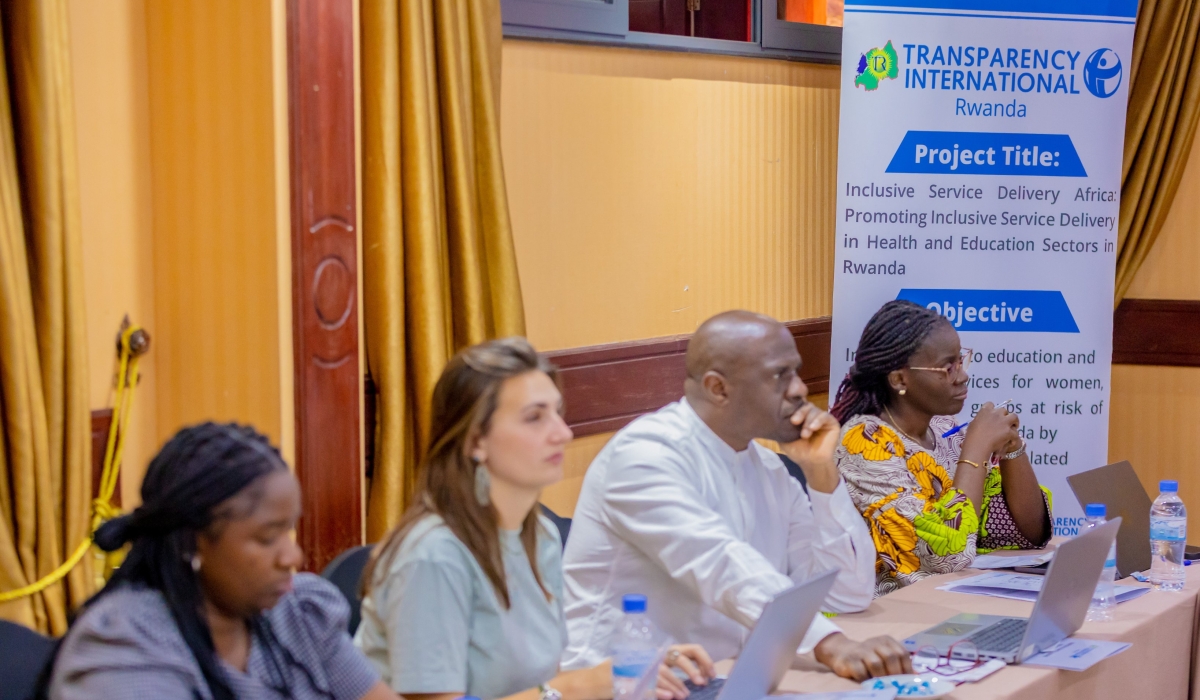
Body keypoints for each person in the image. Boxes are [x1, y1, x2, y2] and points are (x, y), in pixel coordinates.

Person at [562, 311, 912, 682]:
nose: (798, 389)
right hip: (627, 686)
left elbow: (847, 594)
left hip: (723, 680)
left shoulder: (766, 467)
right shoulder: (645, 456)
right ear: (718, 388)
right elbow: (720, 563)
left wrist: (820, 471)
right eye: (780, 375)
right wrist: (832, 645)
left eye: (796, 371)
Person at [355, 337, 712, 700]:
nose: (563, 433)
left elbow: (538, 683)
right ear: (475, 441)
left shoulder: (540, 535)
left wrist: (638, 667)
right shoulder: (433, 556)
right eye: (534, 417)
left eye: (557, 412)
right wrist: (574, 688)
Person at [49, 423, 395, 700]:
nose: (294, 557)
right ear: (193, 543)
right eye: (266, 538)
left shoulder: (298, 615)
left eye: (288, 532)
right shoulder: (124, 652)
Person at [830, 300, 1052, 596]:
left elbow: (1028, 534)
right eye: (947, 367)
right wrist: (976, 448)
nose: (962, 376)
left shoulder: (944, 428)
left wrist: (1012, 447)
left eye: (961, 361)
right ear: (899, 379)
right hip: (890, 615)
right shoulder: (865, 441)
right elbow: (946, 557)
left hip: (953, 601)